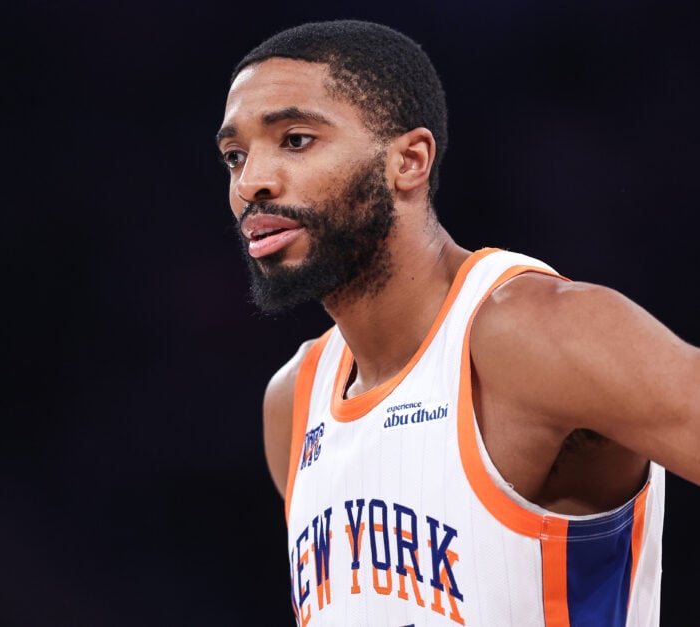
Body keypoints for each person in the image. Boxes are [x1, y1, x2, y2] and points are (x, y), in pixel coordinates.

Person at [214, 19, 700, 627]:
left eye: (295, 140)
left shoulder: (538, 330)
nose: (250, 182)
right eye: (235, 156)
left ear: (409, 162)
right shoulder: (293, 400)